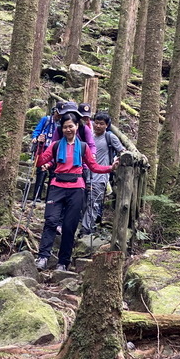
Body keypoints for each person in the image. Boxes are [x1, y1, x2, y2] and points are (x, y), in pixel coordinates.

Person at [35, 112, 118, 271]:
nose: (68, 129)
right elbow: (40, 162)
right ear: (62, 128)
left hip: (76, 188)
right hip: (57, 186)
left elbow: (94, 167)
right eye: (65, 127)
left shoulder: (84, 147)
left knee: (69, 226)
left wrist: (110, 168)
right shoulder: (56, 145)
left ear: (77, 127)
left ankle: (63, 262)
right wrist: (39, 146)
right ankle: (43, 257)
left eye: (71, 126)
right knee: (51, 221)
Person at [81, 111, 125, 235]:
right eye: (97, 123)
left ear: (107, 125)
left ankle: (86, 230)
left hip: (101, 176)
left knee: (93, 203)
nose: (98, 126)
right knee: (84, 203)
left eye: (102, 124)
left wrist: (116, 161)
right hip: (85, 175)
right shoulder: (89, 136)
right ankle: (86, 227)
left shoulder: (110, 137)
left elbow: (122, 151)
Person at [31, 106, 60, 200]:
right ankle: (37, 196)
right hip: (43, 150)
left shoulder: (61, 124)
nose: (59, 115)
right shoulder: (46, 120)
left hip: (54, 152)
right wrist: (35, 138)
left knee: (53, 174)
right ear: (54, 111)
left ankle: (49, 198)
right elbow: (37, 130)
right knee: (41, 173)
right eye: (58, 113)